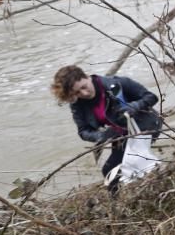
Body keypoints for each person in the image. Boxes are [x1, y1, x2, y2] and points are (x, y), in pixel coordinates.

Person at [51, 65, 162, 194]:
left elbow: (151, 97)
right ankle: (133, 193)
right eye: (76, 93)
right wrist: (100, 136)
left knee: (114, 168)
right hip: (119, 134)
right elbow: (83, 131)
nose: (84, 94)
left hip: (145, 124)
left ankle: (133, 196)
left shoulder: (116, 84)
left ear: (87, 77)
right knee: (113, 169)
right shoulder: (77, 104)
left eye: (83, 87)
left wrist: (134, 106)